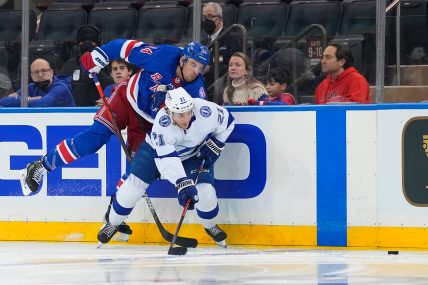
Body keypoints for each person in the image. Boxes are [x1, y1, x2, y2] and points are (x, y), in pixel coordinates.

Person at [19, 57, 144, 242]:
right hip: (127, 118)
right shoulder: (112, 90)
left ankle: (114, 214)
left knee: (135, 172)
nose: (118, 72)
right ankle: (41, 165)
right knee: (92, 141)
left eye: (122, 68)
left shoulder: (141, 84)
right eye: (114, 69)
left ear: (130, 71)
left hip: (143, 126)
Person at [97, 87, 235, 248]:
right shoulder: (162, 124)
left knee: (206, 195)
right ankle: (113, 223)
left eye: (188, 112)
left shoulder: (205, 109)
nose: (186, 118)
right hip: (154, 153)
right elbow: (167, 159)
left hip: (193, 154)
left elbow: (228, 121)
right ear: (169, 112)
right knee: (132, 188)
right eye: (180, 114)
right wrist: (182, 183)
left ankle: (210, 225)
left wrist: (218, 143)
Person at [80, 39, 210, 122]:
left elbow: (199, 121)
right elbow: (127, 47)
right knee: (97, 134)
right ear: (182, 60)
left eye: (201, 68)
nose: (196, 71)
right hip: (132, 97)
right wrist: (98, 56)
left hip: (155, 122)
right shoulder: (161, 57)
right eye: (193, 64)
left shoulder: (196, 89)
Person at [59, 25, 113, 106]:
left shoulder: (107, 64)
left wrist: (95, 66)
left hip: (100, 109)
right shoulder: (69, 65)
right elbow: (62, 90)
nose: (87, 45)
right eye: (83, 42)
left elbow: (112, 86)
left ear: (98, 43)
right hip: (74, 112)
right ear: (78, 44)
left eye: (91, 42)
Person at [201, 2, 242, 101]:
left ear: (219, 18)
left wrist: (210, 68)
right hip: (205, 90)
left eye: (210, 16)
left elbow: (235, 66)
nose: (206, 20)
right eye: (204, 17)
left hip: (223, 91)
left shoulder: (233, 37)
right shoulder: (203, 42)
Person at [0, 58, 74, 107]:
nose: (40, 75)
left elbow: (42, 104)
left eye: (44, 71)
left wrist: (19, 100)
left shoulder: (61, 88)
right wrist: (29, 99)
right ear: (31, 76)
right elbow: (3, 102)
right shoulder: (31, 87)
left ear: (51, 72)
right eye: (36, 72)